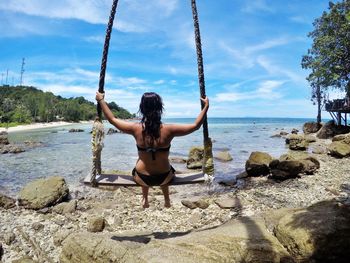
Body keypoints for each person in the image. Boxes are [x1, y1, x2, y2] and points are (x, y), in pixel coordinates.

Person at [96, 91, 209, 208]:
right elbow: (195, 125)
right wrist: (206, 107)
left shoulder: (135, 128)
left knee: (141, 162)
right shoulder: (169, 129)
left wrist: (101, 100)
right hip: (165, 177)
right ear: (160, 108)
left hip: (141, 178)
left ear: (142, 108)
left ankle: (145, 198)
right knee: (165, 166)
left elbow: (112, 119)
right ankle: (167, 199)